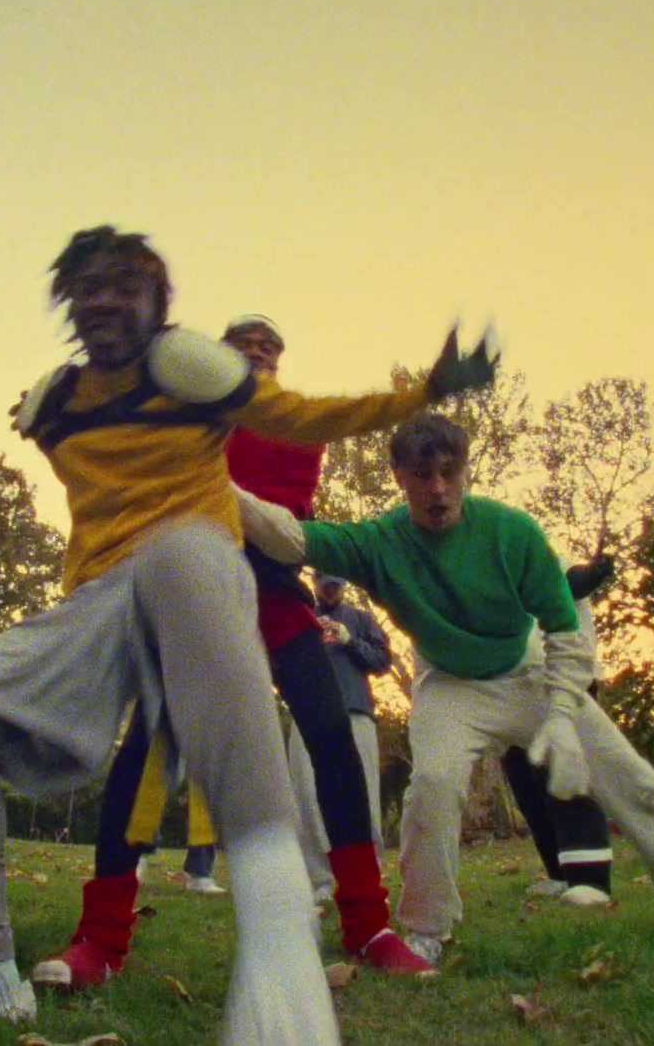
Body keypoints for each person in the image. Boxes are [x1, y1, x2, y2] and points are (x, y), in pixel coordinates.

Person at [0, 227, 494, 1040]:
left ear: (163, 308)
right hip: (112, 598)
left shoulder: (222, 393)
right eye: (90, 285)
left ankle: (311, 925)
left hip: (232, 576)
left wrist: (424, 388)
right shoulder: (63, 404)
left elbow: (311, 426)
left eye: (128, 284)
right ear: (67, 303)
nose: (108, 298)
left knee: (306, 702)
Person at [237, 414, 654, 965]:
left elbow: (565, 628)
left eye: (450, 472)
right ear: (399, 475)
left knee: (635, 782)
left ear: (465, 471)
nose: (439, 489)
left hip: (529, 675)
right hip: (448, 685)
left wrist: (563, 717)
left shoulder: (511, 532)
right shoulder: (378, 542)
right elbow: (292, 537)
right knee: (434, 787)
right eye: (423, 474)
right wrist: (221, 490)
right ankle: (425, 929)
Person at [27, 315, 435, 999]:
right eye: (241, 350)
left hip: (271, 590)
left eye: (267, 350)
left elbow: (285, 534)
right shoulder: (177, 418)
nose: (256, 359)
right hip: (193, 591)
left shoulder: (296, 436)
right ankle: (101, 935)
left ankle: (367, 923)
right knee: (149, 753)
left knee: (331, 733)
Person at [502, 556, 617, 908]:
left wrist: (596, 571)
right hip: (516, 688)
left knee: (565, 777)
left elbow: (571, 583)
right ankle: (557, 873)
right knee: (525, 782)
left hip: (566, 682)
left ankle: (590, 879)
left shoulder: (551, 564)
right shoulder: (501, 577)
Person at [290, 572, 393, 902]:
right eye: (326, 585)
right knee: (307, 794)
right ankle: (322, 880)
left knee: (364, 794)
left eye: (338, 585)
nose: (332, 590)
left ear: (345, 586)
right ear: (316, 583)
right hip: (308, 712)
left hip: (355, 710)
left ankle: (369, 875)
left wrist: (350, 640)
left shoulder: (361, 619)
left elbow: (381, 662)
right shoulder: (300, 613)